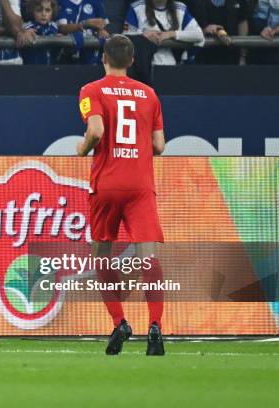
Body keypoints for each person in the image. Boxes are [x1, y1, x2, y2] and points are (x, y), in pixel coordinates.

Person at [77, 34, 166, 356]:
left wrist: (83, 148)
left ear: (103, 58)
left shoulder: (91, 90)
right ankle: (155, 325)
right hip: (140, 185)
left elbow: (96, 131)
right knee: (148, 258)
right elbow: (159, 146)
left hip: (108, 185)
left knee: (101, 256)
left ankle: (120, 322)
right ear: (131, 61)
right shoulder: (149, 95)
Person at [123, 0, 204, 65]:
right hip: (145, 66)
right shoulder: (136, 7)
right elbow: (125, 35)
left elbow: (198, 34)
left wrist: (172, 34)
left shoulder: (180, 8)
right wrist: (143, 33)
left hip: (174, 66)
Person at [195, 0, 250, 65]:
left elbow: (242, 22)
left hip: (231, 53)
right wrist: (203, 30)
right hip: (203, 54)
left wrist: (242, 55)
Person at [56, 0, 109, 64]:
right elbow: (62, 28)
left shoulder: (96, 2)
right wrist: (84, 24)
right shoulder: (62, 2)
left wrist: (101, 30)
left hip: (91, 53)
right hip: (68, 53)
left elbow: (104, 25)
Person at [21, 0, 59, 65]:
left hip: (50, 67)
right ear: (32, 11)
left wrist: (59, 38)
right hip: (31, 67)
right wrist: (24, 32)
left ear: (53, 12)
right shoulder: (27, 27)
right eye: (39, 10)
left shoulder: (54, 26)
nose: (44, 14)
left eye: (47, 10)